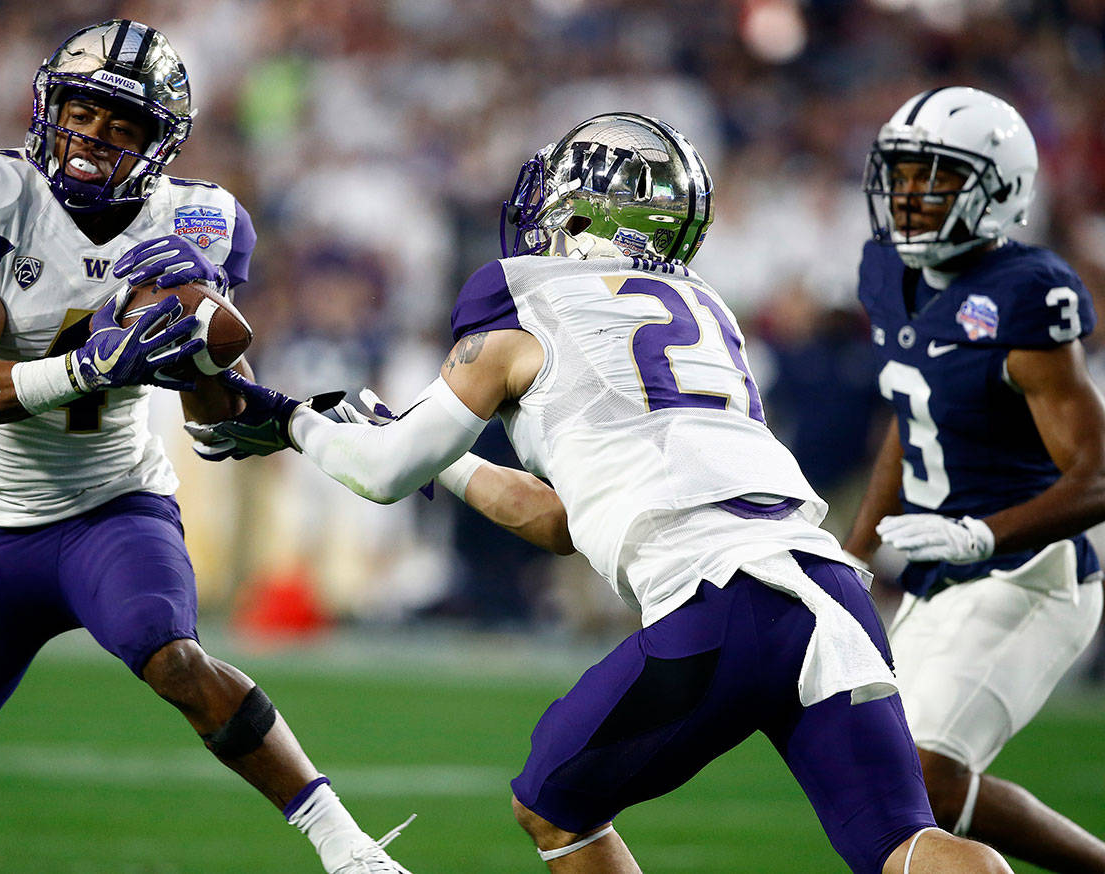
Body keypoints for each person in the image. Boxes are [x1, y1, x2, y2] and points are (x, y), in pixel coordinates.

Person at [189, 112, 1010, 873]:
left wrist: (291, 418)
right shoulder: (708, 310)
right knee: (904, 844)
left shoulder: (527, 299)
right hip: (826, 591)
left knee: (553, 805)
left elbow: (378, 470)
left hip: (722, 601)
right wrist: (444, 458)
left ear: (584, 216)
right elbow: (557, 521)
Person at [0, 20, 413, 874]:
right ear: (47, 106)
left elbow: (211, 423)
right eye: (80, 111)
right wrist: (88, 365)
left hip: (111, 509)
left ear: (158, 144)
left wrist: (240, 377)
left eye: (121, 125)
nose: (91, 137)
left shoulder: (203, 219)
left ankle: (353, 852)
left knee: (169, 650)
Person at [843, 85, 1105, 872]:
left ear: (1000, 190)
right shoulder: (884, 269)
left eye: (936, 178)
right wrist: (855, 553)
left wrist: (979, 532)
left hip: (1029, 575)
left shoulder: (1027, 291)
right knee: (878, 775)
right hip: (935, 573)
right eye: (902, 173)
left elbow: (1096, 476)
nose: (910, 197)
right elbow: (912, 413)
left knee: (922, 771)